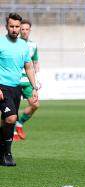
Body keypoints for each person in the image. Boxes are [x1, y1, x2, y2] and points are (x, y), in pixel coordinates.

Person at [0, 13, 38, 166]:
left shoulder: (23, 45)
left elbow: (28, 67)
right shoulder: (1, 42)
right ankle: (7, 154)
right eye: (12, 26)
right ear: (6, 26)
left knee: (5, 122)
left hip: (16, 89)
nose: (15, 29)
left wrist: (35, 87)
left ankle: (0, 152)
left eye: (17, 27)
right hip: (2, 87)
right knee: (11, 118)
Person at [13, 19, 40, 141]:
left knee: (35, 105)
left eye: (26, 29)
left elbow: (35, 62)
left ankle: (19, 124)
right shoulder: (13, 44)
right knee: (13, 107)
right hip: (15, 81)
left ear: (30, 30)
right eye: (22, 29)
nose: (24, 31)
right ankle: (13, 132)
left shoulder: (33, 45)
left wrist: (37, 79)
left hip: (28, 81)